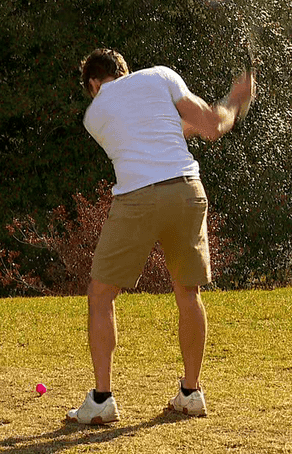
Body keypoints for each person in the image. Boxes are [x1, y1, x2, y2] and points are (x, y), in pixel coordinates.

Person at [66, 48, 255, 424]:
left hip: (137, 197)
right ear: (125, 71)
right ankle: (191, 392)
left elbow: (143, 136)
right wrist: (235, 102)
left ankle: (102, 399)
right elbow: (209, 127)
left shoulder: (94, 114)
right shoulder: (160, 76)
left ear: (92, 83)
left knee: (101, 294)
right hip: (187, 190)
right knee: (188, 292)